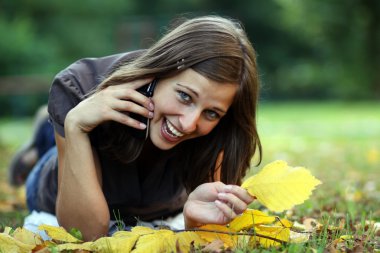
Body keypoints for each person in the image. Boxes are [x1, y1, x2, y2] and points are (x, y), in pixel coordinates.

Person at [22, 15, 262, 241]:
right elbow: (85, 234)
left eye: (211, 113)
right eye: (184, 96)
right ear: (161, 71)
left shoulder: (220, 129)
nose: (189, 123)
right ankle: (46, 128)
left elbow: (208, 227)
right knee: (51, 144)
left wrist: (193, 221)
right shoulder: (78, 85)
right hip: (53, 182)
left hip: (153, 204)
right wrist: (74, 126)